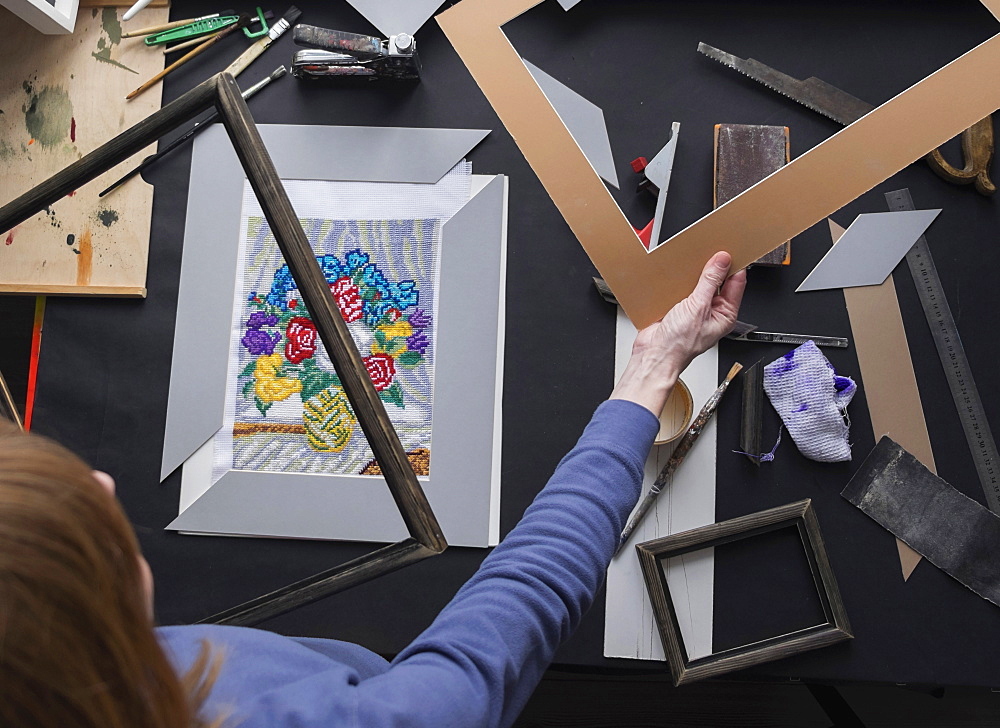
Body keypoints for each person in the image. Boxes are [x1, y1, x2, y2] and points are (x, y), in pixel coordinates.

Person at [0, 252, 745, 728]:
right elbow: (522, 603)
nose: (98, 480)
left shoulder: (61, 685)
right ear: (83, 620)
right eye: (80, 523)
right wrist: (650, 373)